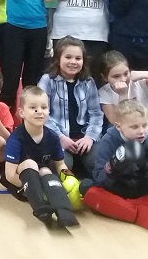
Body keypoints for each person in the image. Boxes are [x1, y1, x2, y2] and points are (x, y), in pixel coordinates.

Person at [82, 99, 148, 232]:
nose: (141, 131)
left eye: (144, 125)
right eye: (134, 127)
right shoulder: (108, 142)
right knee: (88, 188)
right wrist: (113, 166)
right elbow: (99, 178)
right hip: (118, 188)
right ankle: (139, 212)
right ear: (118, 126)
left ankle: (128, 206)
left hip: (141, 188)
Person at [2, 85, 78, 228]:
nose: (39, 111)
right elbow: (10, 175)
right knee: (30, 164)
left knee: (45, 170)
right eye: (33, 108)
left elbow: (60, 164)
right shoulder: (16, 139)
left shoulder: (53, 137)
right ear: (21, 112)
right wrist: (32, 189)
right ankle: (41, 208)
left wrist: (70, 178)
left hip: (42, 178)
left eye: (44, 107)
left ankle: (65, 211)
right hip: (20, 184)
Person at [38, 37, 103, 177]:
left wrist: (89, 137)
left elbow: (96, 114)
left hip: (83, 137)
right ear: (58, 59)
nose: (73, 62)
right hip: (58, 138)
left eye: (78, 58)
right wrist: (60, 137)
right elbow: (42, 115)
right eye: (68, 57)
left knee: (97, 163)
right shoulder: (47, 80)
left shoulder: (88, 82)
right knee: (64, 166)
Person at [97, 50, 148, 131]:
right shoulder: (104, 93)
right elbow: (117, 121)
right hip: (127, 136)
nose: (123, 79)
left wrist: (142, 74)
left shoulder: (138, 82)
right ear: (105, 77)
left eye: (126, 73)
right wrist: (123, 95)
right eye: (116, 76)